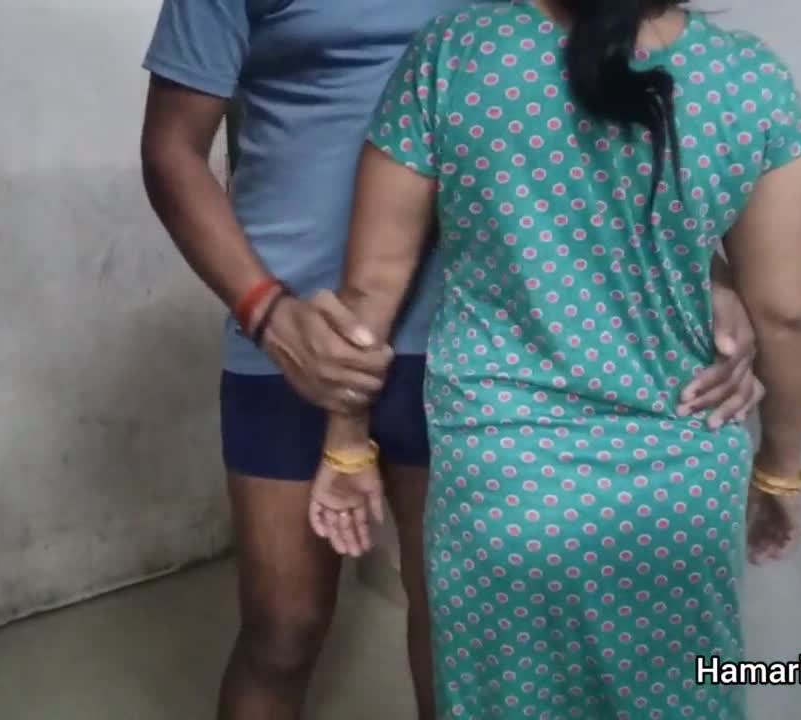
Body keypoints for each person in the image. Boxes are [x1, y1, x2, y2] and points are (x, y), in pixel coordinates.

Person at [139, 1, 767, 717]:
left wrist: (707, 273)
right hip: (295, 337)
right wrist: (266, 313)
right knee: (282, 630)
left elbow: (612, 99)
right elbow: (171, 150)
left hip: (486, 350)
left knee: (462, 638)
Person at [305, 0, 801, 718]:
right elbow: (787, 314)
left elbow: (371, 289)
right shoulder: (751, 82)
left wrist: (346, 443)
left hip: (505, 483)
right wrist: (780, 469)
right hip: (679, 490)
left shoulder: (457, 54)